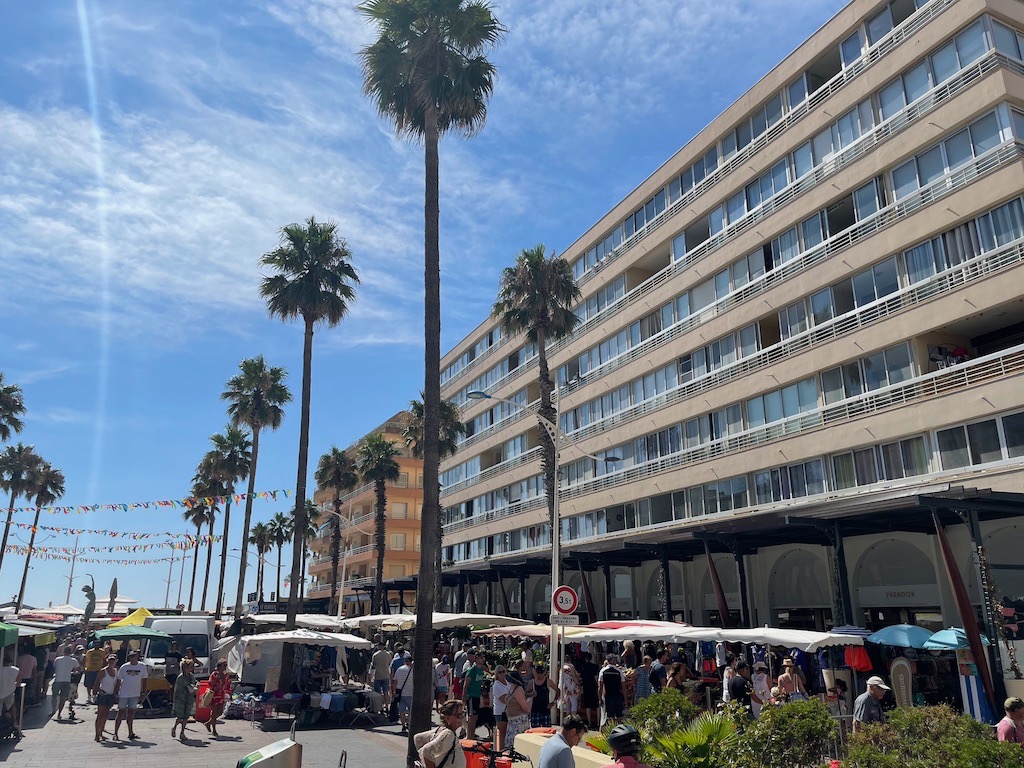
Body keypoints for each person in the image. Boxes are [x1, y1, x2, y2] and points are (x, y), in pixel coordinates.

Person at [414, 700, 466, 768]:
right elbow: (426, 751)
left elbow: (418, 738)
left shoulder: (439, 730)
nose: (462, 717)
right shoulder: (448, 734)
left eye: (463, 713)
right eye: (459, 715)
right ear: (447, 718)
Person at [113, 649, 148, 741]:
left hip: (135, 693)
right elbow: (119, 680)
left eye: (134, 656)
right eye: (131, 656)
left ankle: (130, 732)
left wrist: (143, 692)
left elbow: (144, 680)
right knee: (120, 713)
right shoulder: (124, 667)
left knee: (131, 714)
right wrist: (116, 693)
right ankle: (115, 733)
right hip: (124, 693)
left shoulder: (142, 666)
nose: (132, 658)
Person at [502, 668, 531, 750]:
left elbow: (525, 707)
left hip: (518, 720)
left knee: (514, 745)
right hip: (511, 720)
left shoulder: (518, 690)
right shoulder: (511, 688)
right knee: (509, 743)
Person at [92, 654, 118, 743]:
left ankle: (101, 732)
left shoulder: (115, 671)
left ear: (116, 661)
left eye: (113, 660)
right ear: (107, 661)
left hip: (110, 695)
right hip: (103, 694)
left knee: (106, 715)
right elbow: (97, 683)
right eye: (110, 660)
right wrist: (97, 692)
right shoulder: (103, 671)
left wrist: (116, 693)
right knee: (100, 714)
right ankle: (97, 734)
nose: (111, 662)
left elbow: (116, 684)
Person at [170, 659, 198, 740]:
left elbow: (194, 682)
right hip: (180, 700)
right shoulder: (180, 677)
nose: (191, 668)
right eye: (189, 667)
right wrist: (192, 689)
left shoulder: (191, 676)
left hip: (188, 699)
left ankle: (182, 732)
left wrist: (197, 685)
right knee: (180, 717)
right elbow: (183, 688)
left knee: (186, 717)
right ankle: (174, 728)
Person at [205, 658, 232, 737]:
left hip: (221, 696)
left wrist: (229, 693)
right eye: (224, 665)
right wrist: (216, 680)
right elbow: (210, 683)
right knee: (214, 712)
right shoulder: (214, 674)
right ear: (219, 666)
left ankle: (209, 723)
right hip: (214, 695)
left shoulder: (226, 675)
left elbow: (227, 685)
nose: (225, 667)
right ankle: (214, 730)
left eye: (226, 666)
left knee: (219, 712)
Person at [462, 654, 487, 739]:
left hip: (477, 695)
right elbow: (466, 684)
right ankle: (469, 736)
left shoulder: (481, 669)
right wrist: (464, 698)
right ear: (476, 659)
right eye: (481, 658)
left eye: (483, 658)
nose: (483, 659)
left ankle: (471, 735)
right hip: (471, 696)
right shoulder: (472, 670)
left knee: (475, 717)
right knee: (471, 717)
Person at [51, 645, 80, 719]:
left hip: (57, 679)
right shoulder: (73, 660)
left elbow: (54, 667)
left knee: (54, 696)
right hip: (67, 680)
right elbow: (78, 670)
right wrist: (73, 672)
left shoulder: (58, 659)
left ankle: (53, 710)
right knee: (63, 698)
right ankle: (59, 713)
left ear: (64, 652)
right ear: (70, 652)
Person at [598, 655, 625, 725]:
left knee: (610, 717)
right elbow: (623, 686)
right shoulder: (619, 671)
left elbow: (600, 687)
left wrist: (600, 699)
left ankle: (612, 731)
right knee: (619, 716)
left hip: (608, 696)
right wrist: (624, 698)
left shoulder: (603, 671)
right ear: (613, 661)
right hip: (618, 695)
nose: (616, 661)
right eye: (615, 660)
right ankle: (620, 730)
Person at [392, 652, 414, 734]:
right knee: (410, 710)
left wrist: (394, 692)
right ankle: (408, 722)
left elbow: (395, 682)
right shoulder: (413, 670)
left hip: (400, 693)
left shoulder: (399, 669)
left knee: (402, 711)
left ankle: (403, 725)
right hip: (410, 693)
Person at [577, 653, 600, 728]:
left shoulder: (582, 666)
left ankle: (589, 723)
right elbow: (596, 677)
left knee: (588, 705)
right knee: (597, 705)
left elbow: (580, 677)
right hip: (593, 686)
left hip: (586, 687)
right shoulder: (595, 666)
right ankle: (598, 722)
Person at [492, 665, 511, 750]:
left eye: (504, 671)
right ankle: (500, 751)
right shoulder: (496, 685)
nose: (502, 673)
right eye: (500, 672)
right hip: (500, 712)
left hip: (509, 711)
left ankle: (505, 750)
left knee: (507, 732)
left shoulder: (508, 682)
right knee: (501, 733)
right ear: (497, 674)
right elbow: (503, 699)